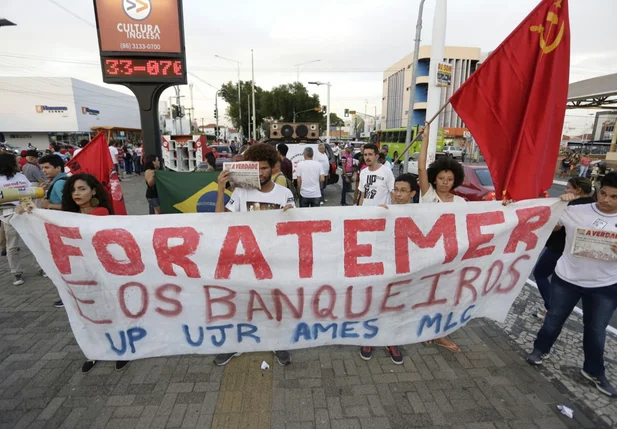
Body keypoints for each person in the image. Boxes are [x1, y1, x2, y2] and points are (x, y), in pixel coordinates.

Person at [526, 172, 617, 397]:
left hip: (605, 286)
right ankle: (540, 349)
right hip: (566, 279)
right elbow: (545, 222)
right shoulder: (575, 210)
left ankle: (594, 370)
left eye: (614, 197)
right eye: (603, 193)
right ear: (597, 189)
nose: (606, 200)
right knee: (554, 318)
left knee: (596, 331)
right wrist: (558, 203)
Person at [215, 143, 294, 367]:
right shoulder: (240, 192)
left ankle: (278, 342)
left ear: (274, 168)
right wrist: (221, 189)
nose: (260, 173)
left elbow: (295, 228)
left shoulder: (284, 193)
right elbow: (219, 221)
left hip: (274, 261)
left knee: (274, 304)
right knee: (240, 304)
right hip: (243, 261)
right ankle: (236, 344)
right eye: (256, 168)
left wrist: (291, 215)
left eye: (264, 169)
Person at [359, 173, 419, 364]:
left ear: (412, 194)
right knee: (375, 300)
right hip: (382, 265)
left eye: (403, 191)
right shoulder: (383, 210)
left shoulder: (421, 212)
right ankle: (368, 337)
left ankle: (392, 340)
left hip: (404, 269)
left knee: (396, 304)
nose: (398, 195)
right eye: (396, 190)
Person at [418, 122, 465, 353]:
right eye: (441, 178)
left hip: (450, 260)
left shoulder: (461, 204)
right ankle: (428, 331)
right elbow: (421, 168)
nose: (445, 182)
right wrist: (425, 138)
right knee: (425, 297)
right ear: (434, 178)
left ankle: (441, 334)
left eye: (449, 179)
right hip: (426, 259)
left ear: (455, 180)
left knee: (446, 299)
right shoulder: (428, 196)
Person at [532, 177, 594, 319]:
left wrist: (560, 206)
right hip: (577, 252)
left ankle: (551, 308)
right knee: (559, 280)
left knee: (540, 274)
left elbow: (556, 227)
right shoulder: (593, 205)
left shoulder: (570, 205)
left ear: (578, 190)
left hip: (558, 248)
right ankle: (552, 308)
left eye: (568, 188)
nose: (566, 190)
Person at [0, 153, 34, 285]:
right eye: (16, 162)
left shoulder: (21, 176)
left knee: (33, 242)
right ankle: (16, 273)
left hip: (26, 213)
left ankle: (40, 268)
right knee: (12, 246)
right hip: (9, 216)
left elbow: (30, 192)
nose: (19, 164)